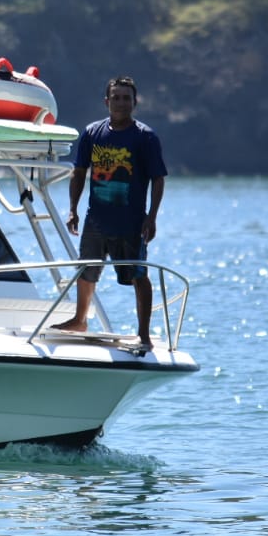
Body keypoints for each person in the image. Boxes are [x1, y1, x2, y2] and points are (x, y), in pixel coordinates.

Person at [55, 76, 167, 348]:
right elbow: (79, 172)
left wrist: (151, 217)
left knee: (139, 276)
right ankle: (80, 319)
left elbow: (158, 178)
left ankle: (143, 334)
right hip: (97, 219)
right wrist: (72, 209)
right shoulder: (93, 133)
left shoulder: (145, 137)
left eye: (126, 98)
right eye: (116, 97)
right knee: (87, 269)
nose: (121, 102)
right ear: (107, 102)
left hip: (131, 223)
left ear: (134, 102)